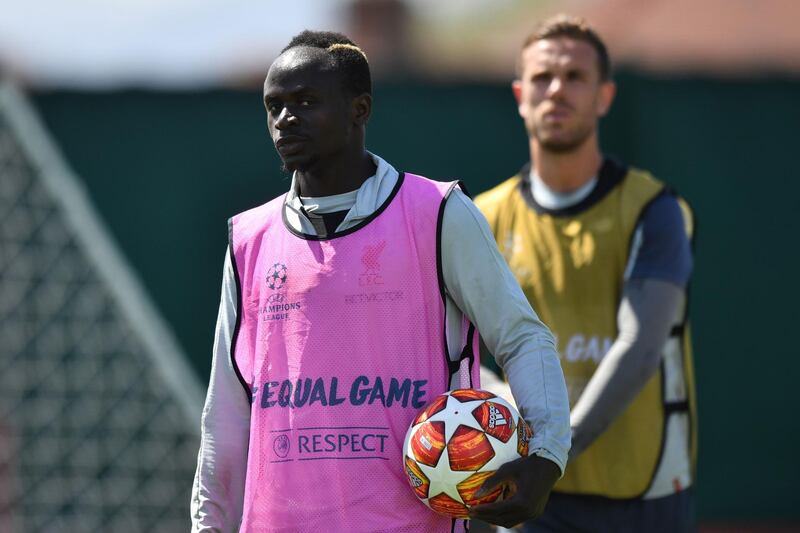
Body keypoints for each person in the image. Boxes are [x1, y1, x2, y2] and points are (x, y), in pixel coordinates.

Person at [190, 30, 571, 532]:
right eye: (274, 105)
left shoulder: (437, 213)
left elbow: (522, 338)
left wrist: (546, 456)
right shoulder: (249, 238)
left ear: (359, 109)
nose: (285, 119)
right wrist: (207, 524)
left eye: (306, 101)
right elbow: (227, 407)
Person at [474, 14, 697, 533]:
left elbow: (640, 348)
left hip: (644, 493)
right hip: (533, 497)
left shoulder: (655, 209)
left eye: (576, 77)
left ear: (604, 96)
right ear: (519, 95)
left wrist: (551, 452)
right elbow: (451, 352)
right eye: (542, 78)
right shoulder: (481, 217)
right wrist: (498, 397)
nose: (557, 90)